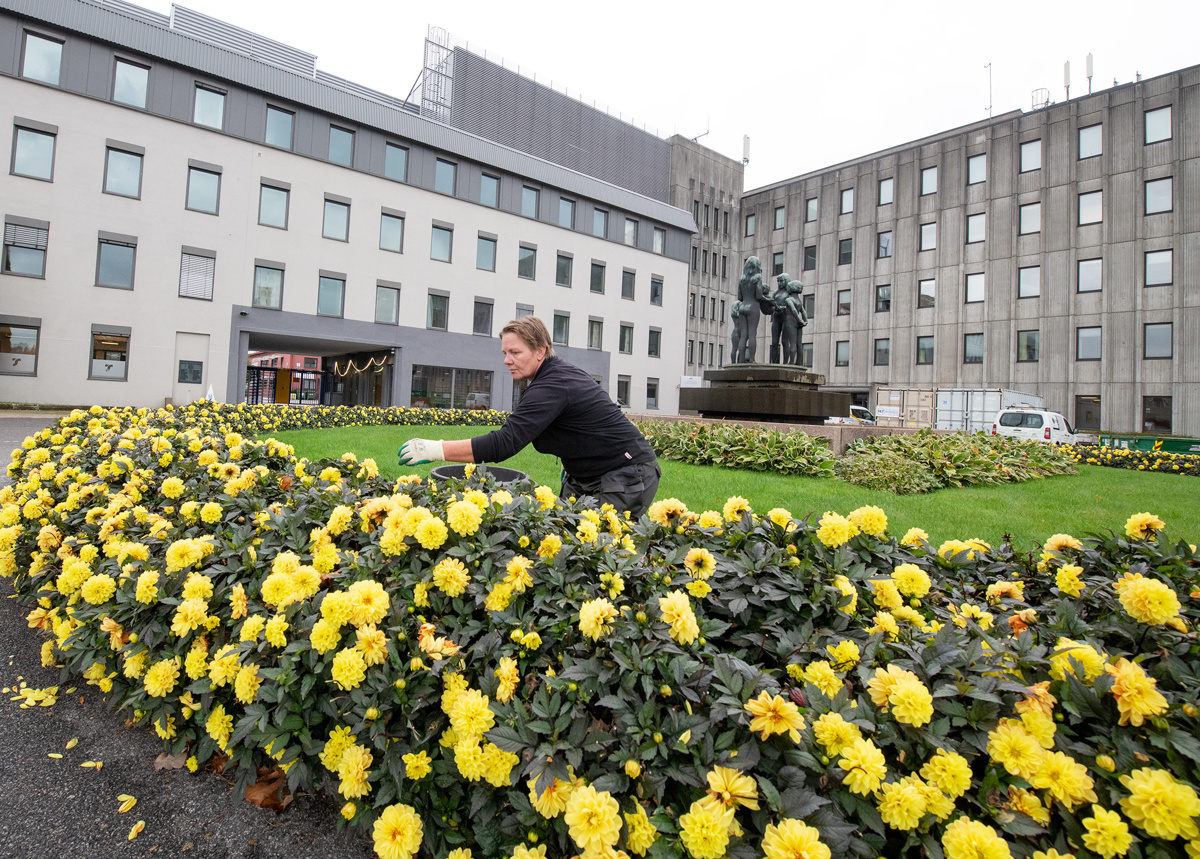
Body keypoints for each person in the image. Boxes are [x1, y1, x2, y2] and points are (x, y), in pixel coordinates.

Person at [398, 317, 661, 517]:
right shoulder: (551, 377)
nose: (507, 360)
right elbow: (581, 424)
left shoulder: (552, 385)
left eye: (515, 353)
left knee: (599, 550)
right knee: (563, 541)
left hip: (626, 474)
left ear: (540, 352)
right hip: (586, 475)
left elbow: (504, 443)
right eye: (505, 353)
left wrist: (433, 449)